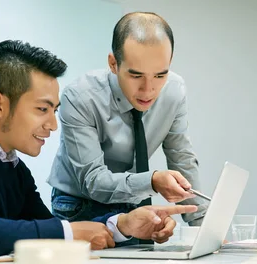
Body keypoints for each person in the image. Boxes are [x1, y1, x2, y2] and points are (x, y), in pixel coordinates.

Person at [0, 40, 196, 257]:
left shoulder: (14, 169)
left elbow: (49, 228)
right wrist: (66, 234)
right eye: (42, 109)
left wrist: (122, 225)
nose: (53, 124)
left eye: (55, 110)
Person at [48, 11, 207, 227]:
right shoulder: (79, 97)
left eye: (160, 75)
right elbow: (92, 181)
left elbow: (182, 158)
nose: (148, 90)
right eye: (136, 75)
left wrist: (203, 225)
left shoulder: (174, 90)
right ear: (113, 63)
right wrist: (152, 181)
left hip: (134, 197)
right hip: (79, 203)